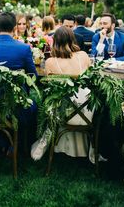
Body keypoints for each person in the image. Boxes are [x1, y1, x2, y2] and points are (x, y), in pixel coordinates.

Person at [0, 12, 38, 152]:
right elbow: (33, 78)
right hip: (15, 109)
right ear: (14, 27)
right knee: (34, 106)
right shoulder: (23, 49)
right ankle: (21, 145)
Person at [45, 26, 92, 157]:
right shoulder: (83, 56)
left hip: (63, 111)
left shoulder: (50, 62)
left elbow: (50, 88)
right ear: (73, 40)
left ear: (55, 42)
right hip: (87, 110)